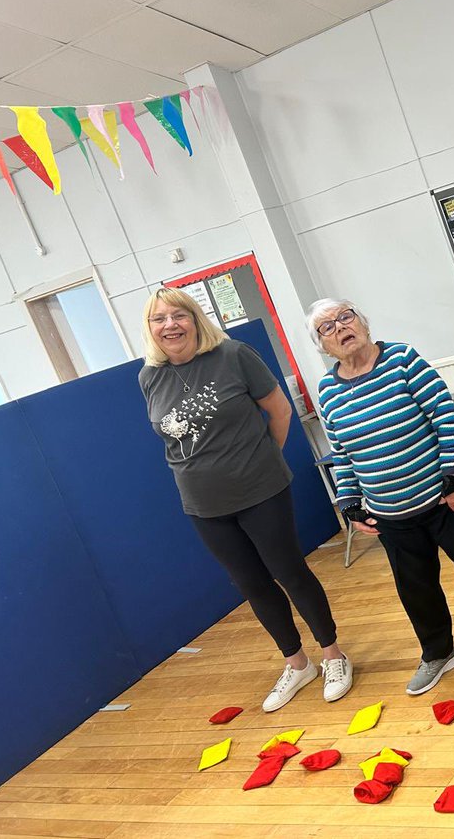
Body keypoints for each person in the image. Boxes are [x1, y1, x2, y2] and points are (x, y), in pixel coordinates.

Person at [309, 299, 454, 695]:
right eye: (327, 327)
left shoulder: (402, 359)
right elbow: (344, 453)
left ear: (363, 321)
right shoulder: (328, 391)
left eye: (345, 317)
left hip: (444, 501)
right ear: (322, 345)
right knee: (416, 591)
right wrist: (349, 502)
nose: (340, 328)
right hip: (390, 514)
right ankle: (438, 652)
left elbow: (444, 416)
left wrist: (453, 478)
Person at [139, 287, 352, 712]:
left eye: (178, 315)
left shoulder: (234, 355)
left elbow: (281, 411)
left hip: (260, 490)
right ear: (151, 330)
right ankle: (297, 664)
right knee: (252, 584)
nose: (170, 326)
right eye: (159, 319)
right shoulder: (149, 377)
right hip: (202, 505)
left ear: (195, 317)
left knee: (289, 573)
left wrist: (259, 461)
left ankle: (333, 655)